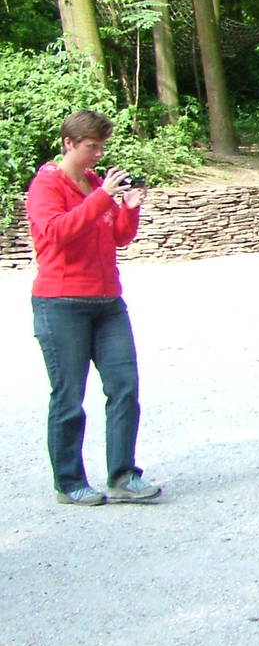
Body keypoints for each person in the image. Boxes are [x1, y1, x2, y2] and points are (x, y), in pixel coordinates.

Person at [27, 110, 161, 506]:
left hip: (107, 301)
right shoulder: (47, 184)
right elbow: (56, 234)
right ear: (69, 143)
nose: (98, 155)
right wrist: (103, 197)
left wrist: (130, 206)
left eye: (101, 147)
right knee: (69, 396)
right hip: (61, 303)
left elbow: (118, 237)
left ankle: (123, 475)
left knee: (124, 387)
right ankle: (69, 482)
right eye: (91, 147)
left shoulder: (94, 184)